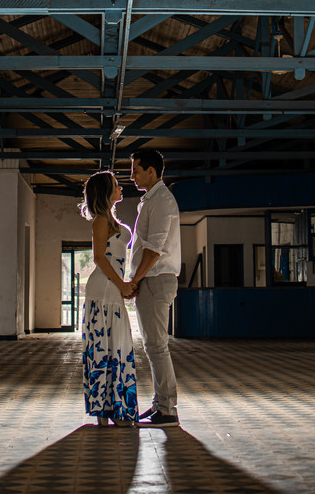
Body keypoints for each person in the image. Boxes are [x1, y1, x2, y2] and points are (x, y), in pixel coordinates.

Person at [79, 170, 138, 427]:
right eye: (116, 184)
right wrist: (122, 285)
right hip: (104, 290)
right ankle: (106, 412)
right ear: (105, 192)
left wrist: (126, 284)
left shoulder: (111, 220)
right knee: (104, 348)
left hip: (113, 288)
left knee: (117, 348)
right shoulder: (101, 221)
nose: (121, 187)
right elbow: (99, 258)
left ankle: (116, 410)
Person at [128, 148, 181, 427]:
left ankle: (168, 410)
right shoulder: (151, 200)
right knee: (153, 345)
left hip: (156, 279)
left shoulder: (162, 200)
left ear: (152, 171)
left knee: (157, 346)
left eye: (136, 169)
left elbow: (154, 248)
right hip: (151, 279)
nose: (132, 175)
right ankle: (160, 403)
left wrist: (136, 279)